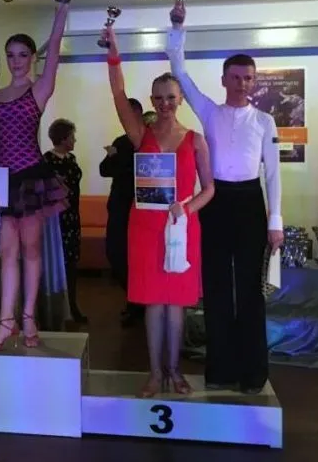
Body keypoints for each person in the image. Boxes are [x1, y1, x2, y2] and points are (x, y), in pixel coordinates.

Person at [166, 2, 283, 394]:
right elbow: (179, 70)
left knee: (249, 290)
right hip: (215, 201)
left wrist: (276, 222)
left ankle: (253, 373)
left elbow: (273, 174)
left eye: (248, 78)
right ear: (223, 79)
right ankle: (220, 370)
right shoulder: (209, 111)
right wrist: (177, 27)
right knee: (216, 286)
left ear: (255, 81)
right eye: (235, 77)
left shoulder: (265, 121)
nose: (241, 83)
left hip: (250, 203)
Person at [104, 26, 214, 395]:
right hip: (145, 227)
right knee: (153, 302)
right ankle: (155, 373)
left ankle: (175, 371)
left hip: (181, 226)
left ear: (180, 98)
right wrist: (113, 52)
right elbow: (118, 94)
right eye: (158, 98)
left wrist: (187, 208)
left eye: (170, 97)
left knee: (176, 303)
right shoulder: (141, 135)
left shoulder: (196, 140)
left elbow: (209, 188)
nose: (164, 103)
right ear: (152, 100)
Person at [0, 0, 74, 352]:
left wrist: (62, 4)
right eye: (11, 55)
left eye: (23, 55)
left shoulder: (39, 89)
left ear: (32, 57)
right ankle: (6, 323)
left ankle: (29, 319)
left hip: (32, 177)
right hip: (2, 180)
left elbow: (55, 50)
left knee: (31, 250)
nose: (16, 61)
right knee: (7, 253)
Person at [100, 98, 144, 327]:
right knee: (115, 254)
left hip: (141, 208)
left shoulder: (148, 140)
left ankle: (138, 305)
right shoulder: (121, 141)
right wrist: (112, 155)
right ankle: (134, 300)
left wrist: (118, 158)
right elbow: (104, 170)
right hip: (119, 207)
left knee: (138, 259)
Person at [44, 118, 87, 323]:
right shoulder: (47, 161)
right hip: (55, 219)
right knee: (55, 261)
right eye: (71, 136)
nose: (74, 140)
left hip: (72, 218)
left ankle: (72, 304)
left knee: (71, 263)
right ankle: (55, 307)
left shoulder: (72, 159)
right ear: (62, 139)